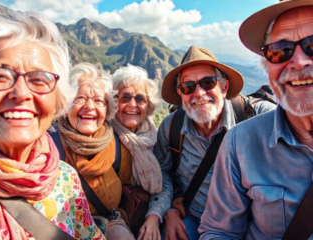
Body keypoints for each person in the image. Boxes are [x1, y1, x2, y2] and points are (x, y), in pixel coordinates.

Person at [0, 10, 104, 240]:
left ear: (56, 102)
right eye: (0, 76)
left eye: (39, 79)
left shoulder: (65, 180)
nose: (21, 93)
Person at [199, 1, 313, 239]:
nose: (299, 61)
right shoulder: (240, 141)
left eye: (312, 45)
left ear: (224, 87)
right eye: (280, 50)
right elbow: (219, 231)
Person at [146, 45, 276, 240]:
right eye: (188, 86)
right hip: (195, 218)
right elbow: (163, 172)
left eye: (208, 82)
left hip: (251, 226)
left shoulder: (259, 116)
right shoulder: (171, 127)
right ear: (181, 95)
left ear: (224, 88)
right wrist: (168, 210)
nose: (198, 93)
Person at [51, 62, 135, 240]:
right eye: (80, 98)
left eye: (98, 100)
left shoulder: (118, 147)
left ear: (107, 109)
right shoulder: (49, 147)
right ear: (66, 106)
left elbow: (129, 190)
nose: (89, 107)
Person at [110, 64, 163, 240]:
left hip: (146, 216)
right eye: (125, 97)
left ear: (148, 105)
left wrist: (154, 215)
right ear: (113, 101)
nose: (132, 104)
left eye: (140, 99)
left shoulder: (156, 138)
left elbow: (167, 179)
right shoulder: (103, 136)